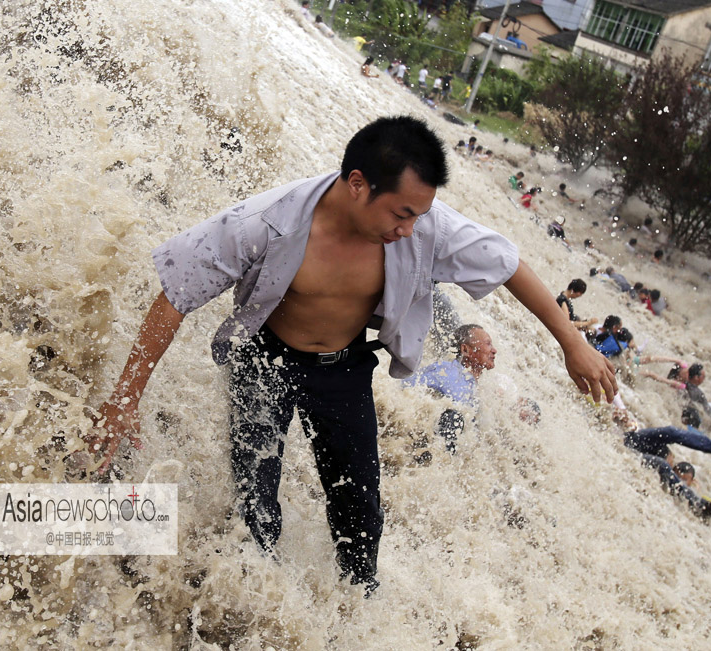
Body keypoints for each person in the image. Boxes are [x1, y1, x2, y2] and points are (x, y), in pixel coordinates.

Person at [89, 116, 617, 595]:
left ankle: (358, 600)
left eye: (419, 216)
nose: (409, 229)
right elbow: (175, 294)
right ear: (358, 183)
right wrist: (123, 399)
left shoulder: (424, 225)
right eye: (402, 214)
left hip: (343, 369)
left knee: (360, 508)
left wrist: (572, 343)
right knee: (255, 498)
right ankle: (259, 598)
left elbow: (508, 265)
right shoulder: (265, 222)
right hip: (263, 362)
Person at [623, 411, 711, 517]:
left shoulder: (655, 460)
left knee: (670, 434)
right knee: (669, 436)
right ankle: (700, 506)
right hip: (629, 443)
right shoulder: (661, 461)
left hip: (630, 445)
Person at [404, 324, 495, 451]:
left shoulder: (471, 382)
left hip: (428, 436)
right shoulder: (450, 373)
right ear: (465, 350)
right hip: (417, 438)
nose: (494, 350)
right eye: (488, 344)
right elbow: (402, 389)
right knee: (454, 418)